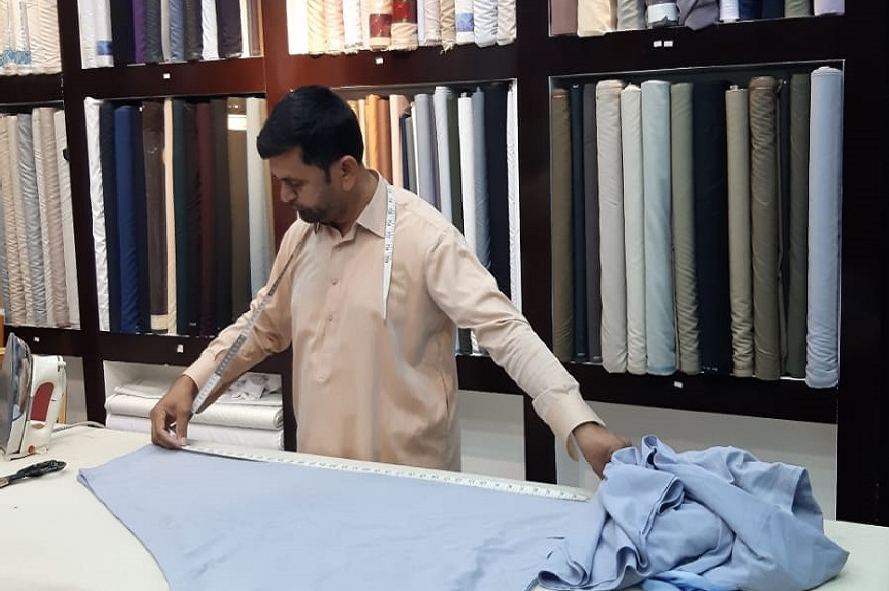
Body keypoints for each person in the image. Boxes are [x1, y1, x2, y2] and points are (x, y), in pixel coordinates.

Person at [151, 85, 631, 477]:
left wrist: (579, 424)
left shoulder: (425, 238)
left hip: (414, 491)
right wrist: (192, 383)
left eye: (295, 184)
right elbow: (261, 326)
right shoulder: (300, 239)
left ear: (345, 170)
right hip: (318, 482)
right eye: (279, 182)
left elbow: (504, 330)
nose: (283, 197)